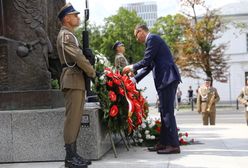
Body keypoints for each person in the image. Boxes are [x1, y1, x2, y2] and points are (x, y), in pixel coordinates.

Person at [123, 24, 181, 154]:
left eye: (136, 35)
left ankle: (173, 145)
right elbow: (149, 66)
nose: (137, 39)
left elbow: (146, 60)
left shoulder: (152, 39)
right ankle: (164, 143)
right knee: (163, 111)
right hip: (165, 80)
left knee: (167, 113)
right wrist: (134, 80)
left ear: (140, 31)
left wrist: (131, 67)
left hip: (167, 79)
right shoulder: (152, 41)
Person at [57, 3, 95, 168]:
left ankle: (74, 155)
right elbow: (78, 58)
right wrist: (92, 71)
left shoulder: (71, 35)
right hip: (72, 80)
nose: (78, 17)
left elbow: (79, 56)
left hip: (76, 80)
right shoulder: (65, 35)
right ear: (66, 18)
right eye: (75, 15)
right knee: (72, 120)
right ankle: (70, 158)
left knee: (76, 119)